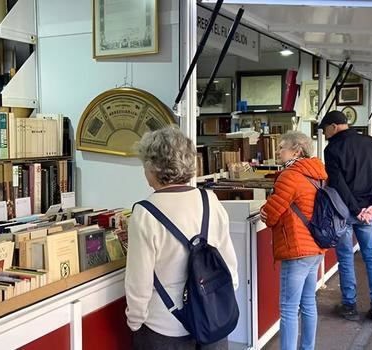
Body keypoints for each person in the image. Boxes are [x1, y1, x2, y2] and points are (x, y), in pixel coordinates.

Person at [125, 127, 238, 350]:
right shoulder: (210, 200)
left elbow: (139, 282)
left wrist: (135, 322)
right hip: (212, 319)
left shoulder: (145, 213)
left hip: (164, 326)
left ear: (153, 166)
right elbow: (229, 264)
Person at [260, 131, 327, 350]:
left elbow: (272, 213)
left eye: (282, 147)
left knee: (288, 309)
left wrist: (265, 211)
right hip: (316, 246)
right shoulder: (318, 173)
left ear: (296, 150)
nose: (278, 151)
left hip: (297, 248)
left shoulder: (290, 175)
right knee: (308, 303)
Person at [319, 111, 372, 323]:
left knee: (346, 259)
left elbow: (338, 184)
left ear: (334, 126)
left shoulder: (332, 149)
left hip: (344, 211)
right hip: (368, 211)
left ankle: (349, 305)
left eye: (325, 129)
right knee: (371, 257)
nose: (324, 134)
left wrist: (356, 209)